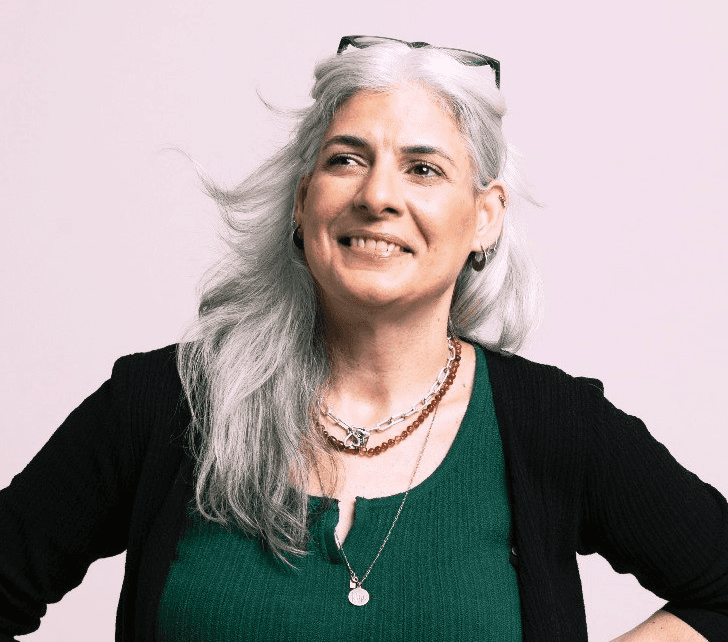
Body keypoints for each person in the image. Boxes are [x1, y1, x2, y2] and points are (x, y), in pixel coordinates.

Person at [1, 36, 727, 642]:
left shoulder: (551, 425)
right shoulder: (168, 403)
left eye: (423, 168)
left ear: (485, 218)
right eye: (346, 159)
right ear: (301, 202)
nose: (377, 196)